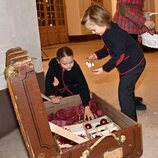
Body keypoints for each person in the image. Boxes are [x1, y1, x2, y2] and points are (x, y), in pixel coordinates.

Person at [81, 4, 146, 121]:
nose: (93, 32)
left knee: (124, 92)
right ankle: (133, 102)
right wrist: (96, 55)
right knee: (127, 88)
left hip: (135, 63)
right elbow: (108, 48)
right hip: (126, 64)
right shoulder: (106, 31)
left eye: (93, 29)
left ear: (101, 22)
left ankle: (129, 121)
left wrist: (105, 68)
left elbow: (118, 56)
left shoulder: (114, 34)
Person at [113, 0, 155, 110]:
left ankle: (129, 97)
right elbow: (123, 8)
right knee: (128, 68)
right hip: (124, 30)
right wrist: (143, 21)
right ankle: (127, 102)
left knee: (129, 67)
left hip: (130, 30)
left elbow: (134, 8)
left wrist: (144, 19)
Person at [45, 46, 94, 120]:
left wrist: (86, 107)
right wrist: (52, 96)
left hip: (75, 89)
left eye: (71, 62)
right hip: (62, 88)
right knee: (48, 101)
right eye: (65, 64)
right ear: (58, 61)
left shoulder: (75, 67)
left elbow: (82, 85)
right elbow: (49, 79)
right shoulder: (53, 63)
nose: (68, 66)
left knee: (78, 104)